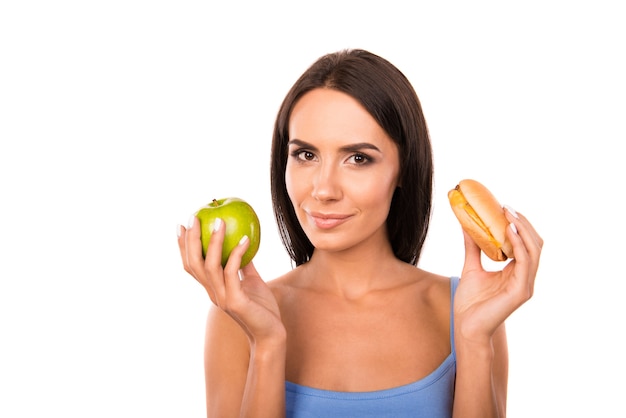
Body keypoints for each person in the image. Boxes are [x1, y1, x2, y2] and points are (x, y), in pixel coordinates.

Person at [177, 49, 543, 418]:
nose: (323, 189)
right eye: (305, 155)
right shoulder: (237, 314)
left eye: (358, 158)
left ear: (403, 169)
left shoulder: (467, 310)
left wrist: (475, 339)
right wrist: (267, 344)